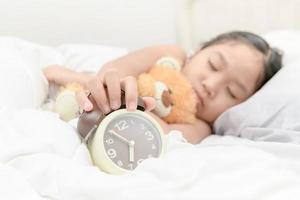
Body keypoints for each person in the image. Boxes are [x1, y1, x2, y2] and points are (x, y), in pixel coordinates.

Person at [43, 31, 282, 144]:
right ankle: (81, 80)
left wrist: (128, 109)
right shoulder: (172, 55)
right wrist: (106, 85)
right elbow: (118, 68)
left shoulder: (200, 127)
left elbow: (159, 134)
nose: (211, 85)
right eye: (213, 64)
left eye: (232, 92)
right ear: (198, 50)